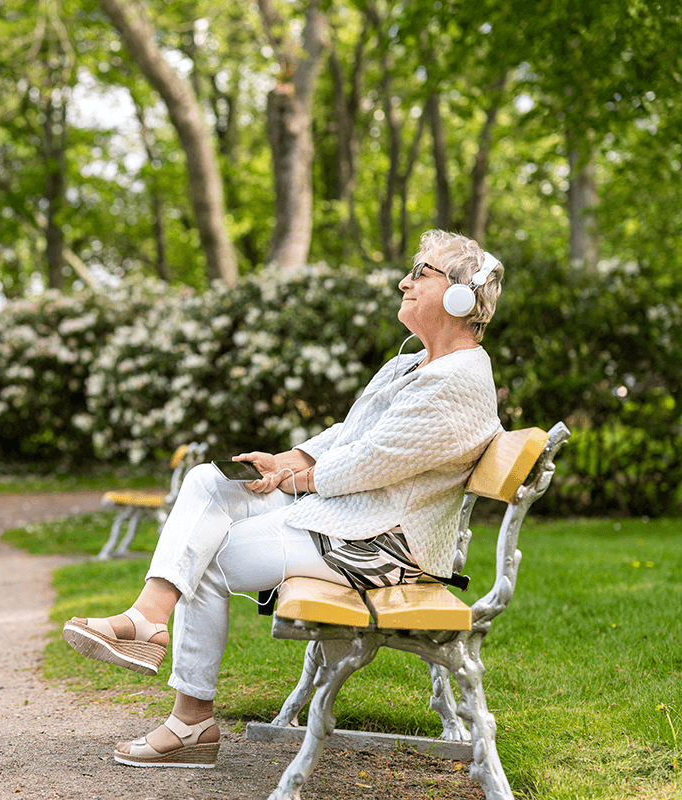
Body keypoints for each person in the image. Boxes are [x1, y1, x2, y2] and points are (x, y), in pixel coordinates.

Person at [62, 229, 505, 769]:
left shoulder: (459, 381)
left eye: (420, 273)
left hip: (382, 545)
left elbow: (370, 461)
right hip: (349, 519)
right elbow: (348, 434)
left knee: (207, 555)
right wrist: (290, 459)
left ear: (460, 297)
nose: (403, 282)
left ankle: (190, 723)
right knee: (205, 482)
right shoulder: (412, 363)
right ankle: (148, 619)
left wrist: (298, 481)